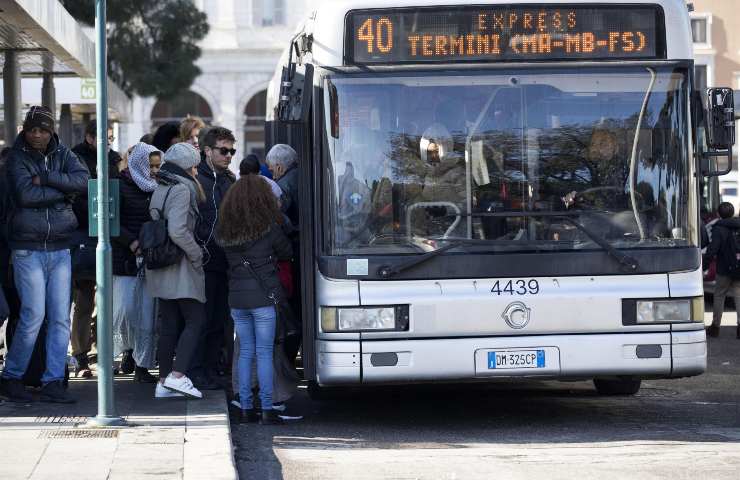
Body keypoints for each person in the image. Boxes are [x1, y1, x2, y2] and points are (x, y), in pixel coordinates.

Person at [0, 106, 89, 403]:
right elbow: (26, 196)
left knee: (60, 318)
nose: (37, 134)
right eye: (32, 129)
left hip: (61, 246)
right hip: (27, 248)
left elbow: (83, 180)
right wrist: (64, 192)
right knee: (33, 315)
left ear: (52, 131)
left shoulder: (63, 154)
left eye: (42, 130)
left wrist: (48, 178)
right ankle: (12, 376)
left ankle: (53, 380)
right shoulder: (16, 158)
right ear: (25, 130)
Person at [217, 174, 293, 424]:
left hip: (236, 300)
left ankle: (246, 407)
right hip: (263, 297)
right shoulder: (268, 228)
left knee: (245, 352)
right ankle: (268, 408)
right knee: (264, 352)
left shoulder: (226, 230)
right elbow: (286, 251)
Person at [145, 142, 207, 399]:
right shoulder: (182, 189)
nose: (196, 170)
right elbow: (178, 230)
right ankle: (179, 376)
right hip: (180, 264)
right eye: (194, 165)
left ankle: (164, 381)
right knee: (196, 320)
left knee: (169, 323)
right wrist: (197, 254)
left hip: (161, 264)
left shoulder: (161, 186)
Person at [69, 120, 122, 378]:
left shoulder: (113, 159)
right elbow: (78, 198)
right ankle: (80, 356)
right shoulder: (75, 159)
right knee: (84, 300)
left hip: (106, 235)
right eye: (104, 136)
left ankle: (102, 354)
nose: (108, 141)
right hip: (84, 235)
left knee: (105, 302)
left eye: (110, 136)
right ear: (90, 137)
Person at [111, 143, 162, 384]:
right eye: (150, 166)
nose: (154, 170)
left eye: (157, 166)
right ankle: (123, 353)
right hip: (126, 261)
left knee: (147, 315)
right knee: (125, 311)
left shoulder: (158, 188)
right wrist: (131, 242)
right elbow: (112, 222)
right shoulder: (120, 186)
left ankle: (143, 364)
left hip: (150, 261)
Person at [190, 126, 237, 389]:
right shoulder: (198, 180)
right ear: (207, 151)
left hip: (224, 261)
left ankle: (210, 368)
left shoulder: (229, 180)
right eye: (223, 150)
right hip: (202, 262)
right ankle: (196, 371)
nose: (229, 155)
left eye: (231, 150)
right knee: (202, 319)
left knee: (219, 320)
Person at [704, 201, 740, 339]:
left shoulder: (718, 228)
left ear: (719, 214)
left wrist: (705, 264)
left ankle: (715, 327)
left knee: (719, 296)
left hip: (723, 268)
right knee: (739, 296)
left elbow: (713, 249)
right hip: (738, 267)